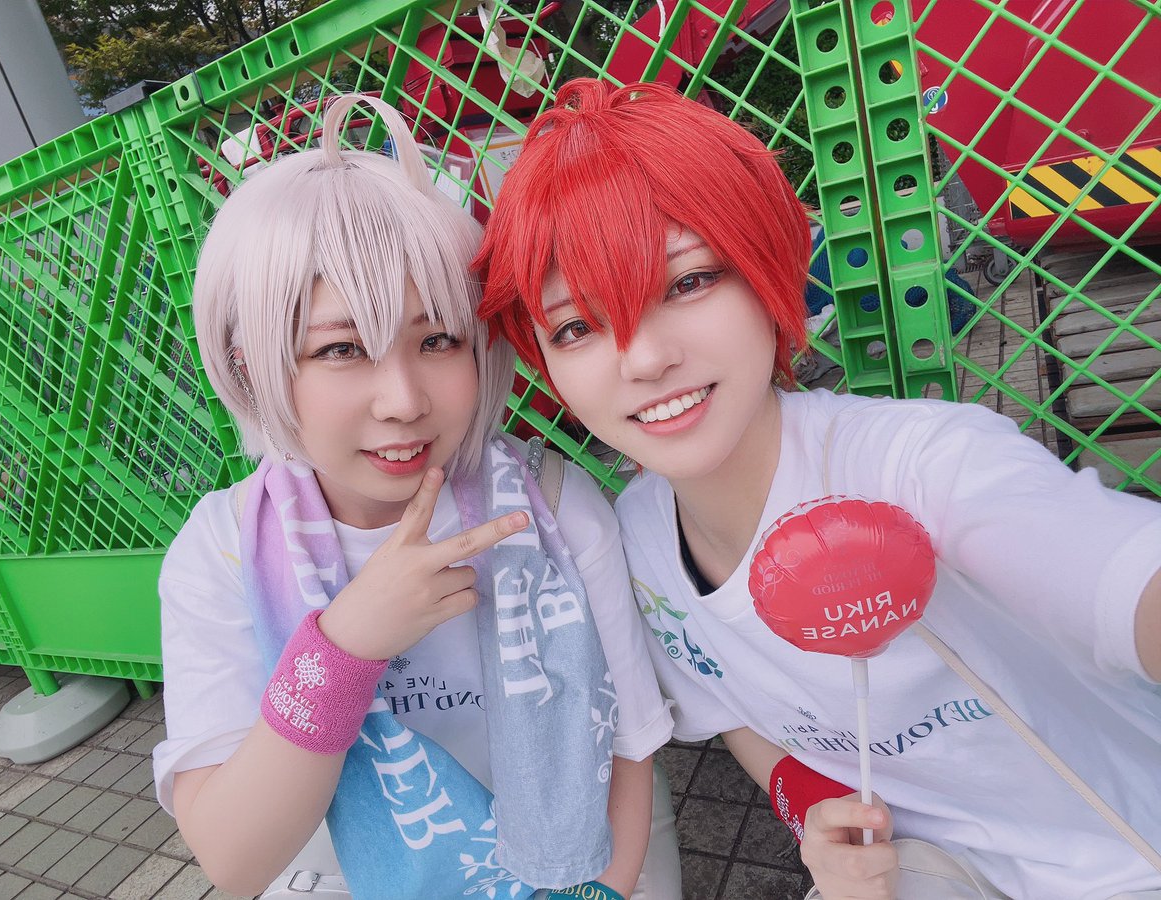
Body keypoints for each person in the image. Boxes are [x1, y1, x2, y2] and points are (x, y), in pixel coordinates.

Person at [476, 78, 1161, 899]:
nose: (645, 358)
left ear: (766, 272)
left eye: (688, 282)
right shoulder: (640, 545)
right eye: (577, 327)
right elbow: (732, 710)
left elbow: (1114, 576)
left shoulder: (917, 466)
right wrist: (811, 812)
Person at [151, 93, 680, 900]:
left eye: (437, 339)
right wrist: (346, 646)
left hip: (592, 866)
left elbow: (631, 747)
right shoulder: (222, 554)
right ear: (252, 365)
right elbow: (234, 858)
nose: (403, 401)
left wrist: (600, 889)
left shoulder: (552, 505)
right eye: (340, 350)